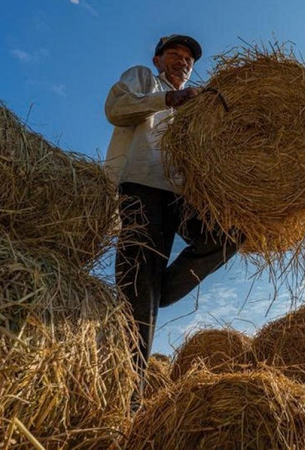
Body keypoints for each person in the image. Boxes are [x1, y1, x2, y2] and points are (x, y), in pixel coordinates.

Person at [104, 34, 240, 398]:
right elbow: (115, 109)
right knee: (139, 300)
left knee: (229, 235)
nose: (183, 61)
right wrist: (168, 98)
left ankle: (154, 291)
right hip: (140, 187)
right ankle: (128, 399)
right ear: (158, 59)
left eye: (188, 58)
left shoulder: (197, 107)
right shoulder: (143, 79)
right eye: (175, 54)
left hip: (181, 197)